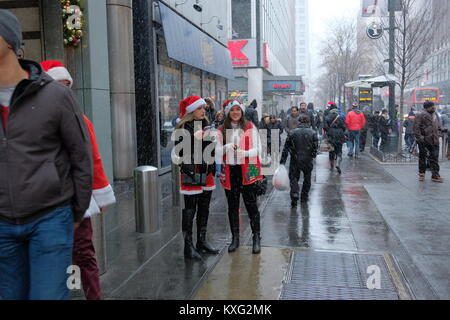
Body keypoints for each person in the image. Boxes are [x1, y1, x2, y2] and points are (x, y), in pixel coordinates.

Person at [0, 10, 93, 300]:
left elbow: (81, 157)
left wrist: (74, 212)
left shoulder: (55, 95)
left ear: (9, 41)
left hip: (50, 217)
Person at [40, 60, 116, 300]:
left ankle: (94, 296)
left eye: (66, 85)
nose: (64, 90)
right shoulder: (31, 119)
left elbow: (93, 158)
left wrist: (99, 193)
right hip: (41, 201)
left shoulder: (81, 119)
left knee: (83, 252)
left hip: (74, 199)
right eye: (58, 85)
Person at [216, 100, 263, 254]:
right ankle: (235, 238)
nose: (235, 112)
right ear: (228, 112)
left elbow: (259, 149)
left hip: (249, 169)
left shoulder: (250, 127)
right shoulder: (221, 129)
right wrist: (226, 147)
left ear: (242, 112)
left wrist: (246, 153)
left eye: (238, 110)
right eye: (232, 110)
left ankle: (256, 237)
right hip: (231, 171)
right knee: (232, 206)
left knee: (251, 205)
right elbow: (215, 152)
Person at [175, 96, 218, 260]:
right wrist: (195, 139)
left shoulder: (206, 125)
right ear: (191, 110)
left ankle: (201, 241)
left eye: (204, 108)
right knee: (190, 210)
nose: (203, 110)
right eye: (200, 108)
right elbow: (180, 154)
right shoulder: (183, 127)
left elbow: (211, 148)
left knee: (204, 207)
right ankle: (188, 246)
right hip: (191, 171)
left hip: (205, 171)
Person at [280, 115, 319, 207]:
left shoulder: (292, 132)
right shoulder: (313, 133)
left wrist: (282, 161)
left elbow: (286, 148)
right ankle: (304, 197)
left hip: (295, 159)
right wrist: (312, 155)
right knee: (307, 178)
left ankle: (294, 193)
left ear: (299, 122)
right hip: (307, 159)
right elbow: (315, 147)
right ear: (308, 122)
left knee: (293, 178)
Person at [413, 102, 445, 183]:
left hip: (434, 140)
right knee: (423, 157)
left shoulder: (435, 115)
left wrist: (441, 131)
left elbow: (438, 125)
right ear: (428, 107)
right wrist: (420, 138)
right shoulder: (420, 115)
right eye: (432, 106)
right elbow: (416, 127)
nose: (434, 107)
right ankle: (422, 174)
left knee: (434, 158)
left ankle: (435, 175)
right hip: (424, 140)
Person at [324, 107, 347, 174]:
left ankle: (331, 166)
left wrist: (328, 131)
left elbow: (325, 127)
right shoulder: (341, 117)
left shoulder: (327, 117)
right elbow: (344, 127)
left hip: (331, 134)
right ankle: (338, 164)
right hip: (339, 134)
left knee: (331, 150)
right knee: (339, 150)